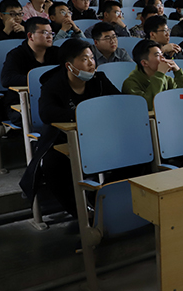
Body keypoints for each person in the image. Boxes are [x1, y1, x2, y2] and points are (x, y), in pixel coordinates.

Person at [19, 38, 121, 218]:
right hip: (62, 139)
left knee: (135, 155)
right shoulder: (53, 84)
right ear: (69, 65)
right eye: (84, 59)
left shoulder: (99, 80)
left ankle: (102, 199)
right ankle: (83, 214)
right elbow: (47, 113)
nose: (91, 63)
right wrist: (83, 114)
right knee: (52, 165)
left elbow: (119, 102)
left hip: (98, 136)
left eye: (92, 58)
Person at [0, 17, 60, 123]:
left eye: (51, 33)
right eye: (44, 32)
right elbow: (6, 79)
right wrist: (39, 80)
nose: (49, 36)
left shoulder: (57, 53)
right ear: (30, 36)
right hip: (21, 103)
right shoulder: (16, 54)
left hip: (51, 101)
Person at [122, 39, 183, 111]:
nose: (163, 58)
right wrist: (159, 74)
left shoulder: (167, 79)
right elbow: (149, 105)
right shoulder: (130, 84)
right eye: (158, 55)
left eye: (162, 54)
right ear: (144, 63)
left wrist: (178, 72)